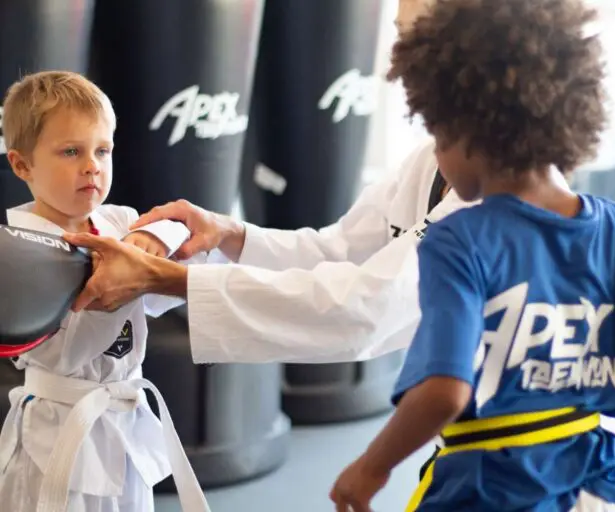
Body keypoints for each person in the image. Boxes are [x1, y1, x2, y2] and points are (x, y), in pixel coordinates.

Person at [328, 1, 615, 511]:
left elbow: (445, 392)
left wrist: (370, 468)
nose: (436, 156)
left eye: (436, 134)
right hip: (597, 487)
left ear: (466, 127)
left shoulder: (460, 242)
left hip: (489, 491)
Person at [60, 0, 472, 366]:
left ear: (474, 48)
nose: (393, 63)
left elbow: (366, 308)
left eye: (415, 38)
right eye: (398, 35)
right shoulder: (427, 161)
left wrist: (166, 280)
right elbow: (338, 253)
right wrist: (228, 234)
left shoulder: (499, 186)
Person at [0, 71, 209, 511]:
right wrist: (128, 273)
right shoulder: (18, 250)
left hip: (125, 425)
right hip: (57, 439)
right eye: (71, 151)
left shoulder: (118, 222)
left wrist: (159, 241)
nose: (92, 165)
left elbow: (171, 283)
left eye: (102, 150)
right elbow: (68, 353)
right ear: (22, 165)